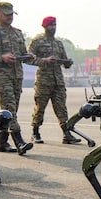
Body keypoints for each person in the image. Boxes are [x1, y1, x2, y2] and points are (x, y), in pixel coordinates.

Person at [0, 2, 33, 155]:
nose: (9, 17)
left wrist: (29, 56)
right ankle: (19, 141)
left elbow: (24, 54)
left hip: (17, 75)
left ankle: (2, 142)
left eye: (11, 14)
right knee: (9, 106)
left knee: (11, 110)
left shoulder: (17, 33)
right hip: (2, 75)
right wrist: (2, 58)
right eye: (6, 14)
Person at [27, 16, 81, 145]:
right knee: (40, 108)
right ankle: (35, 132)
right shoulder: (37, 41)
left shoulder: (58, 43)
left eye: (55, 25)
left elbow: (64, 61)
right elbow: (28, 58)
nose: (53, 28)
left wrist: (68, 63)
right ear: (44, 27)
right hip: (43, 81)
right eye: (51, 25)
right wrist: (44, 60)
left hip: (58, 81)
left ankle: (66, 133)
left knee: (61, 108)